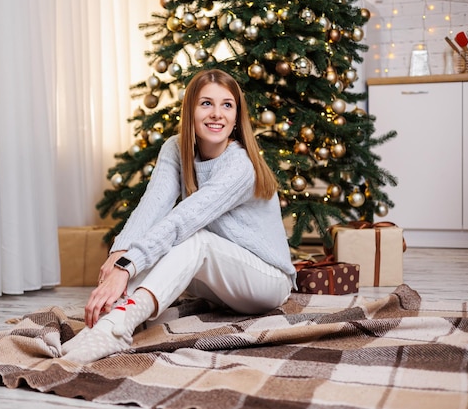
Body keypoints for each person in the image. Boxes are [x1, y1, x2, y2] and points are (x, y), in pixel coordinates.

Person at [61, 69, 296, 364]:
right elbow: (152, 207)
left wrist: (127, 267)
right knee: (158, 243)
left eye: (227, 105)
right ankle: (109, 320)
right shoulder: (175, 148)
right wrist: (119, 254)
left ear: (237, 117)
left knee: (192, 237)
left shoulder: (240, 166)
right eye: (206, 103)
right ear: (191, 110)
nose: (216, 114)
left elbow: (184, 219)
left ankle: (118, 329)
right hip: (216, 283)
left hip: (265, 281)